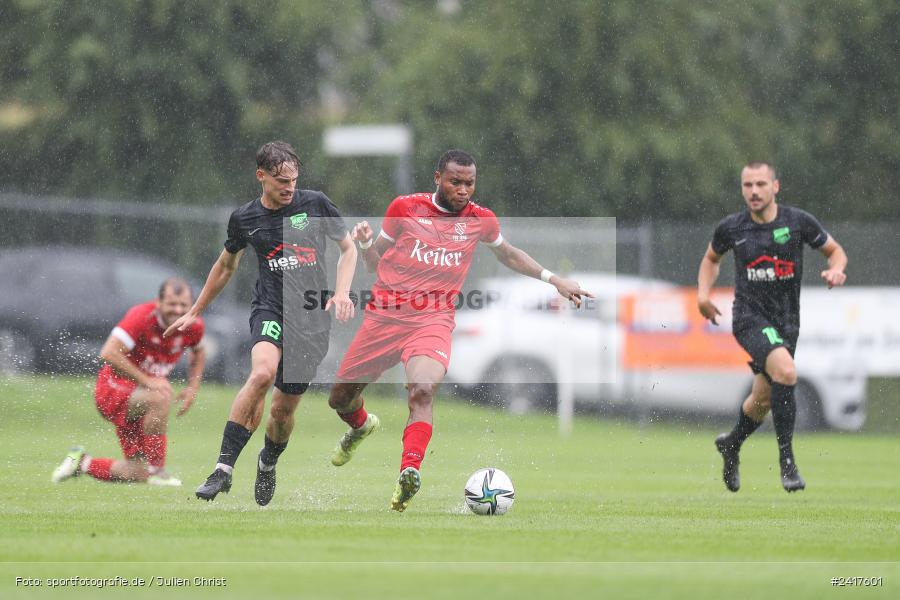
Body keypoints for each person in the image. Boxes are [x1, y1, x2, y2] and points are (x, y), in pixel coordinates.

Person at [327, 149, 592, 512]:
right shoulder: (404, 208)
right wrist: (366, 243)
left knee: (422, 390)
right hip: (385, 318)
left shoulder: (481, 220)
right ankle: (359, 427)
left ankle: (409, 471)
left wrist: (553, 279)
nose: (464, 189)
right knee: (339, 398)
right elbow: (374, 265)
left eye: (470, 183)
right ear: (438, 178)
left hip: (432, 321)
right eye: (456, 182)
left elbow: (509, 254)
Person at [164, 141, 357, 506]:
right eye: (282, 181)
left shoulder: (315, 204)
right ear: (261, 176)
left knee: (282, 414)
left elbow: (349, 249)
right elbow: (225, 265)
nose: (289, 188)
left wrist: (343, 292)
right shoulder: (244, 219)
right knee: (261, 374)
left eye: (294, 180)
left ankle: (267, 461)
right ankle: (222, 469)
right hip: (270, 308)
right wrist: (195, 310)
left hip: (312, 320)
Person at [698, 161, 847, 493]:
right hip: (749, 317)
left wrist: (836, 270)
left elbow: (835, 252)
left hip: (787, 323)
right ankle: (787, 463)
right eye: (748, 185)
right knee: (787, 371)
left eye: (760, 184)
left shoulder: (797, 222)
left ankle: (732, 443)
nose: (753, 191)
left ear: (775, 187)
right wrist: (703, 295)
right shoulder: (732, 228)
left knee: (761, 400)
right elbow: (711, 259)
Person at [51, 277, 206, 486]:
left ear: (192, 306)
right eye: (171, 304)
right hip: (112, 390)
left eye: (183, 305)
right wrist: (148, 381)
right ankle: (158, 471)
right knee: (161, 395)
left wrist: (192, 387)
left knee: (137, 473)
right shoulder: (141, 316)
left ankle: (81, 462)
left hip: (142, 401)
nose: (178, 310)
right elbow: (109, 353)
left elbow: (199, 351)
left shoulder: (194, 325)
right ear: (158, 302)